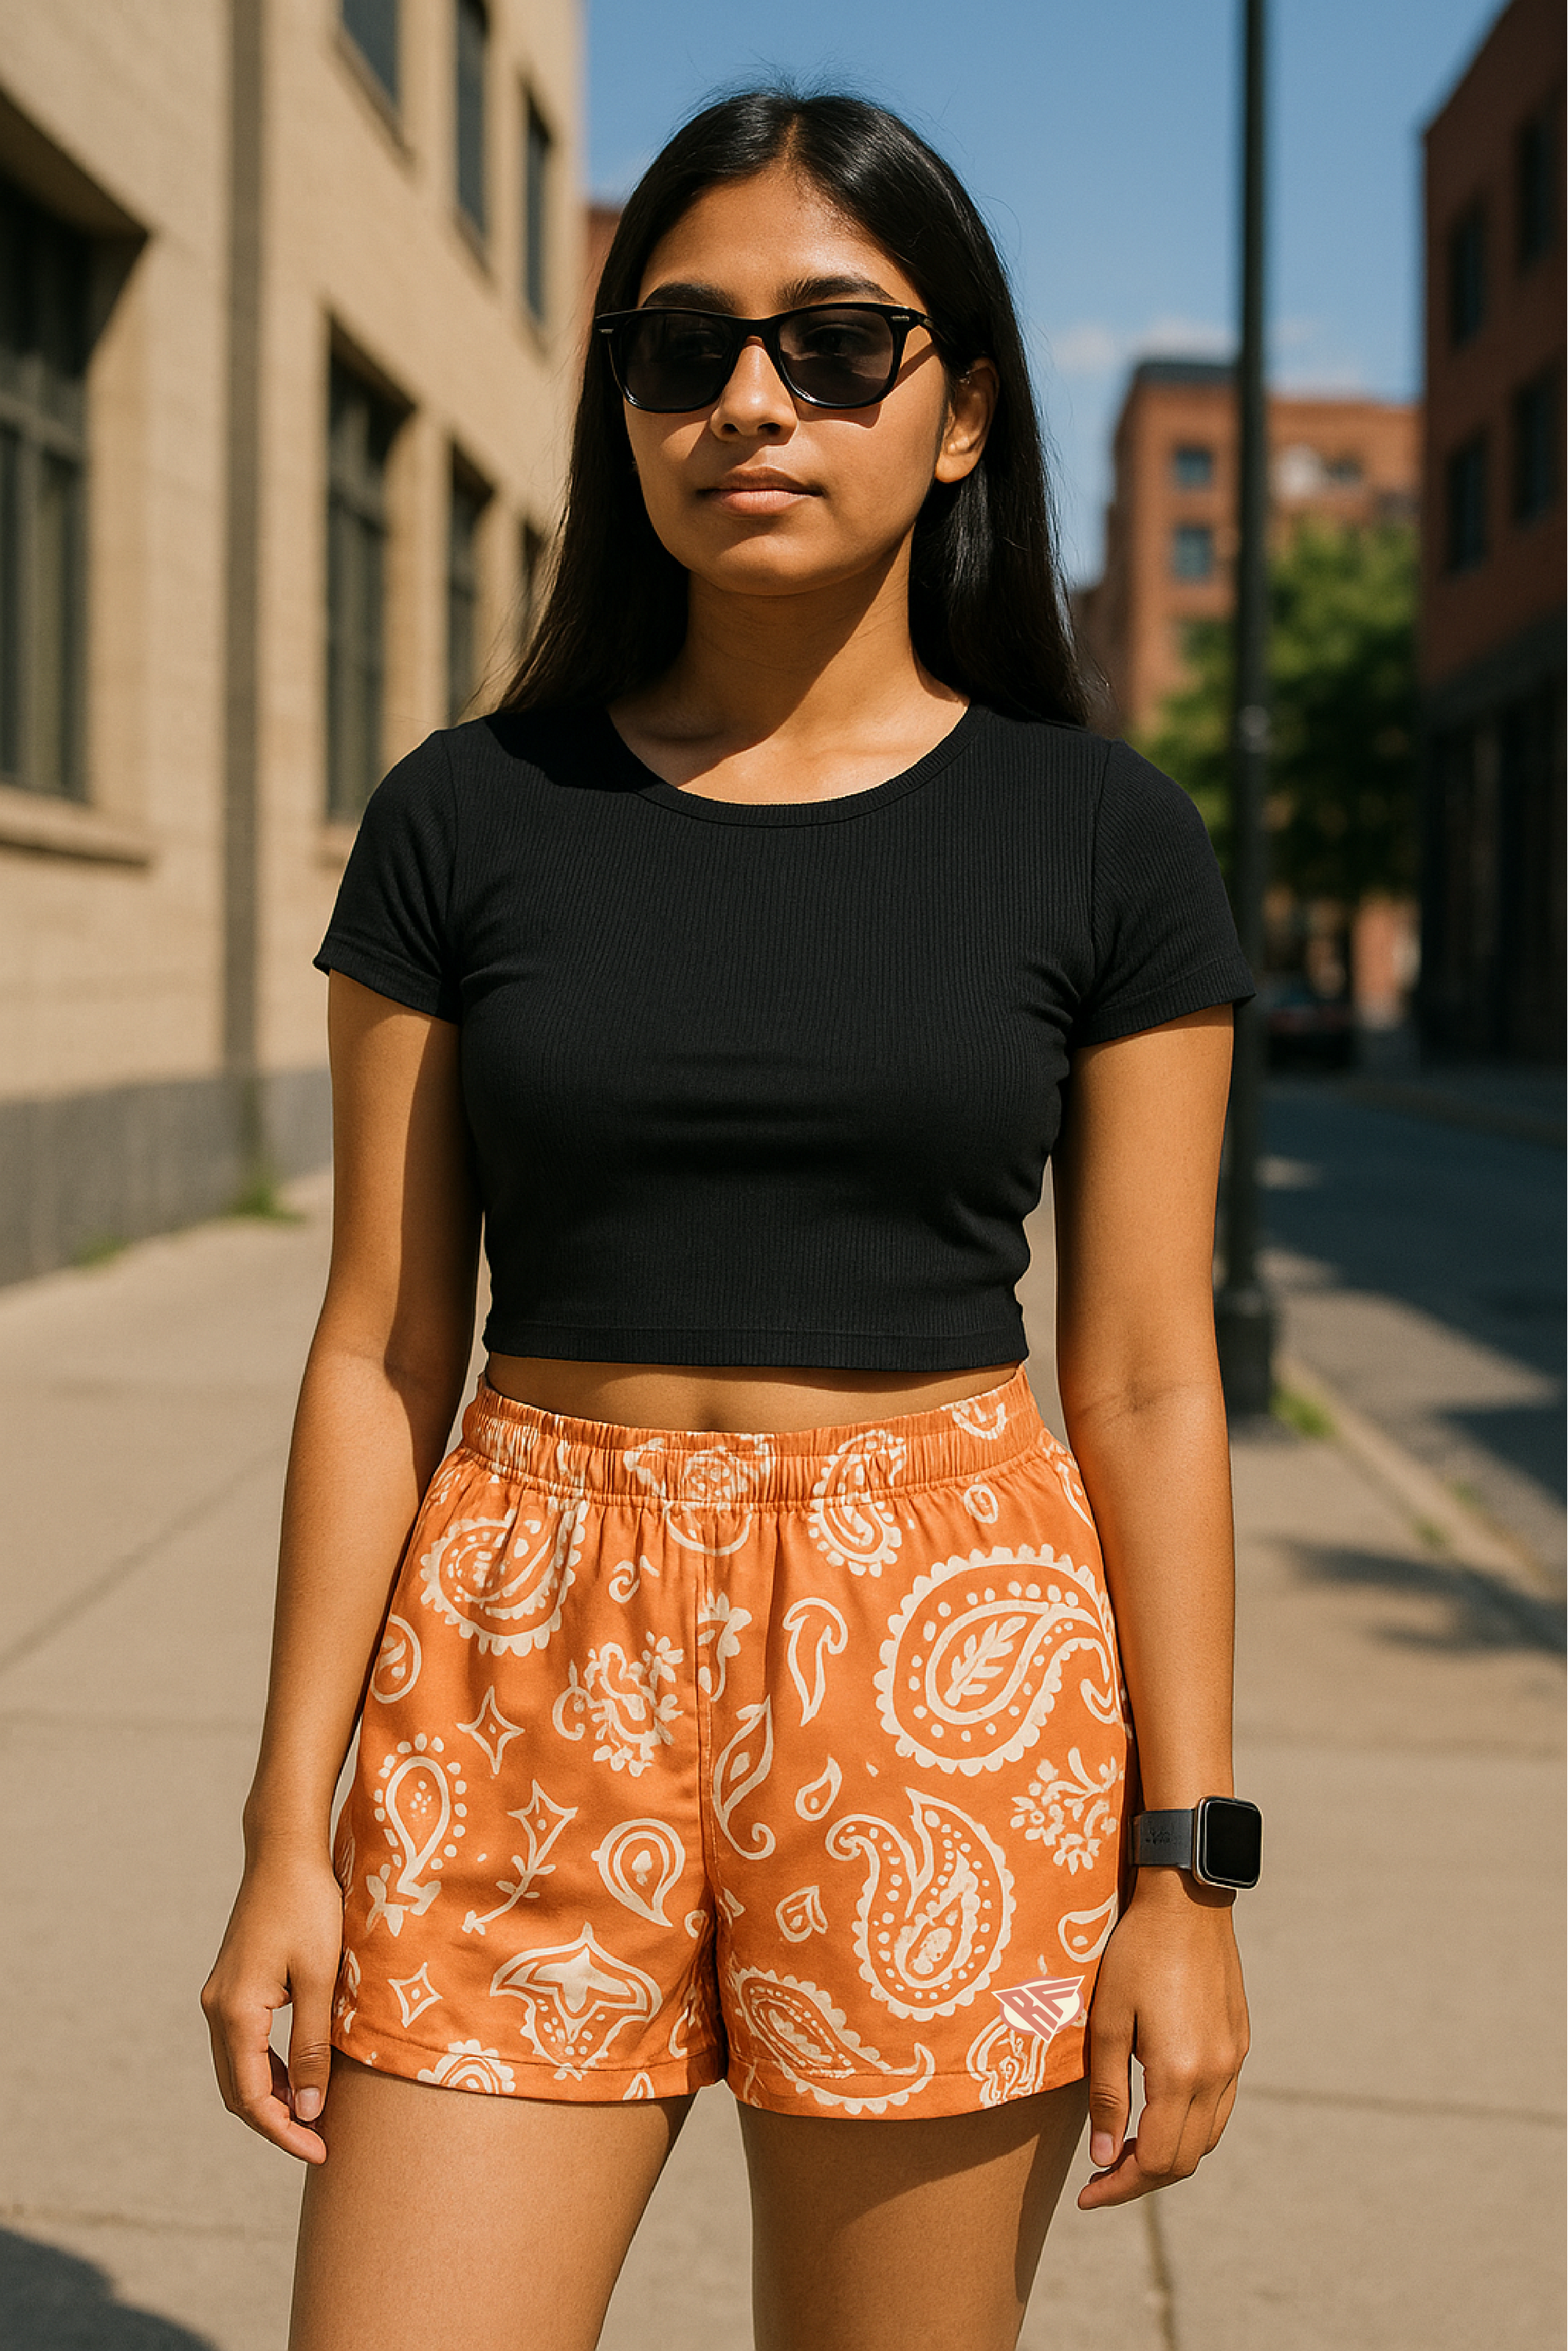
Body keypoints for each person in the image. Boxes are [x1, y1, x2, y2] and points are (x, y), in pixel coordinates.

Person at [202, 88, 1258, 2351]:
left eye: (836, 344)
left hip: (936, 1657)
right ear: (623, 409)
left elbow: (1153, 1378)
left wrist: (1190, 1869)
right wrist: (287, 1832)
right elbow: (379, 1344)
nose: (751, 403)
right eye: (682, 350)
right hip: (518, 1646)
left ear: (962, 413)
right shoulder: (468, 815)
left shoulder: (1103, 841)